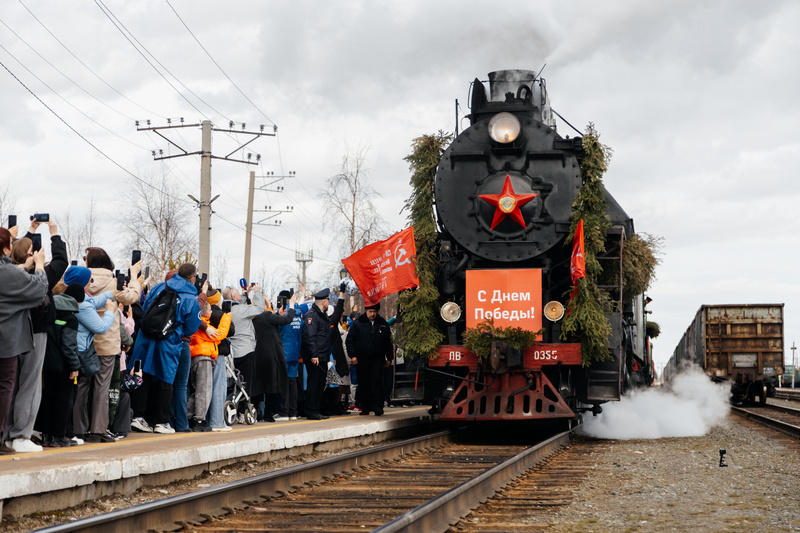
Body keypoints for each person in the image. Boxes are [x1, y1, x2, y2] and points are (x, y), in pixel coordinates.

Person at [5, 219, 68, 451]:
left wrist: (30, 232)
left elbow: (17, 250)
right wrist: (54, 233)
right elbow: (61, 261)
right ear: (31, 255)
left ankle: (8, 433)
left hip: (13, 333)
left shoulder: (10, 274)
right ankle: (21, 435)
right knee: (30, 385)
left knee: (11, 384)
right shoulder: (39, 275)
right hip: (36, 332)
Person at [78, 247, 142, 442]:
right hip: (107, 342)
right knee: (102, 386)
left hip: (83, 343)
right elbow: (132, 296)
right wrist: (134, 276)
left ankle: (78, 428)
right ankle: (98, 429)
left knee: (82, 386)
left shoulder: (81, 280)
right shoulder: (112, 282)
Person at [130, 263, 202, 434]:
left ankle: (138, 417)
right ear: (192, 278)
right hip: (169, 341)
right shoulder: (191, 297)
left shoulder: (160, 287)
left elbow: (146, 308)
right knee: (166, 378)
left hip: (145, 338)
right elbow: (191, 327)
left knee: (142, 374)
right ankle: (161, 422)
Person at [0, 227, 48, 454]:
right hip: (6, 340)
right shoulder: (8, 272)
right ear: (5, 249)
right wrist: (39, 265)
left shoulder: (10, 271)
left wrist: (22, 267)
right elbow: (39, 290)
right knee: (5, 387)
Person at [68, 265, 117, 442]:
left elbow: (93, 301)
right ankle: (83, 429)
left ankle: (79, 429)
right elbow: (101, 327)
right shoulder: (82, 306)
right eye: (90, 280)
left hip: (78, 348)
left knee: (81, 388)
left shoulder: (77, 298)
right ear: (82, 283)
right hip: (81, 351)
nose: (92, 282)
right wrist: (110, 312)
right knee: (82, 389)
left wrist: (112, 292)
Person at [36, 282, 84, 447]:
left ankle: (46, 436)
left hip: (47, 363)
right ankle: (59, 436)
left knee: (48, 398)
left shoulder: (51, 310)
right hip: (64, 366)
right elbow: (68, 345)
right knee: (63, 401)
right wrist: (75, 366)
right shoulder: (71, 319)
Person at [187, 293, 231, 431]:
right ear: (205, 311)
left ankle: (187, 416)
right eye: (210, 310)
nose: (212, 312)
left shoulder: (198, 324)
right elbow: (220, 334)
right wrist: (227, 316)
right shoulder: (204, 327)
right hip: (204, 358)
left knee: (196, 391)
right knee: (204, 391)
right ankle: (199, 420)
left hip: (195, 358)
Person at [252, 291, 298, 422]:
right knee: (271, 384)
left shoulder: (255, 317)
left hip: (258, 354)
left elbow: (271, 323)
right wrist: (292, 305)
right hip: (272, 355)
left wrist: (278, 314)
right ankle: (268, 413)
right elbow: (287, 320)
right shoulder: (267, 315)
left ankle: (256, 412)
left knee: (259, 385)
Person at [346, 301, 393, 416]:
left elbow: (388, 342)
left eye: (374, 312)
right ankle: (365, 407)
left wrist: (389, 358)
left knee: (377, 382)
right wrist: (353, 355)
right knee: (364, 383)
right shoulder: (358, 323)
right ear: (366, 311)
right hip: (362, 359)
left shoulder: (382, 323)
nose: (372, 314)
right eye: (370, 311)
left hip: (377, 358)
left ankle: (378, 407)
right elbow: (350, 341)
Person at [226, 283, 264, 420]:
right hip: (246, 351)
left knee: (234, 384)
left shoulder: (226, 309)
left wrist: (244, 295)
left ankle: (234, 410)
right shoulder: (241, 310)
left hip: (232, 353)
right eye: (237, 293)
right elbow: (260, 309)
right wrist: (257, 292)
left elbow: (238, 305)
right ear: (233, 297)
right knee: (246, 384)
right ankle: (243, 411)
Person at [301, 288, 333, 420]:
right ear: (324, 302)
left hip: (323, 355)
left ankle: (316, 410)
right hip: (315, 356)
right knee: (314, 384)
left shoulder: (321, 315)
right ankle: (310, 411)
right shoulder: (311, 315)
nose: (328, 303)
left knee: (320, 384)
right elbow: (310, 336)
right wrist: (314, 354)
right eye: (328, 301)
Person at [205, 288, 234, 431]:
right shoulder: (220, 314)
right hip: (218, 353)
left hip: (202, 353)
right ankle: (217, 422)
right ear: (217, 300)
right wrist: (228, 316)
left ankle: (205, 420)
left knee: (205, 388)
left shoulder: (202, 313)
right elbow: (231, 331)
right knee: (218, 387)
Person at [278, 289, 308, 421]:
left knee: (284, 383)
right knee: (292, 382)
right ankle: (293, 412)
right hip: (295, 353)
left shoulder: (283, 313)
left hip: (284, 353)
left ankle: (284, 412)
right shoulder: (299, 314)